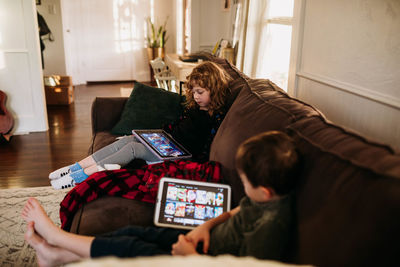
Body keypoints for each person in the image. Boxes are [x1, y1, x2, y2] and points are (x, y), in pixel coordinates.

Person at [22, 131, 300, 266]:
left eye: (244, 182)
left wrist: (190, 257)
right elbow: (237, 212)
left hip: (205, 258)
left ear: (265, 191)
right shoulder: (266, 198)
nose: (242, 183)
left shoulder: (272, 226)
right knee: (134, 232)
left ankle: (57, 239)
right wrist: (205, 226)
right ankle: (55, 255)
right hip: (203, 240)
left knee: (132, 248)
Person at [49, 61, 231, 189]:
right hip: (168, 143)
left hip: (178, 156)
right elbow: (179, 129)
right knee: (127, 140)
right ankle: (75, 167)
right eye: (194, 91)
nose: (196, 96)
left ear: (214, 90)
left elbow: (203, 149)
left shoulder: (214, 117)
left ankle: (77, 178)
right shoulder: (196, 108)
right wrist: (157, 135)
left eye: (200, 92)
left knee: (132, 150)